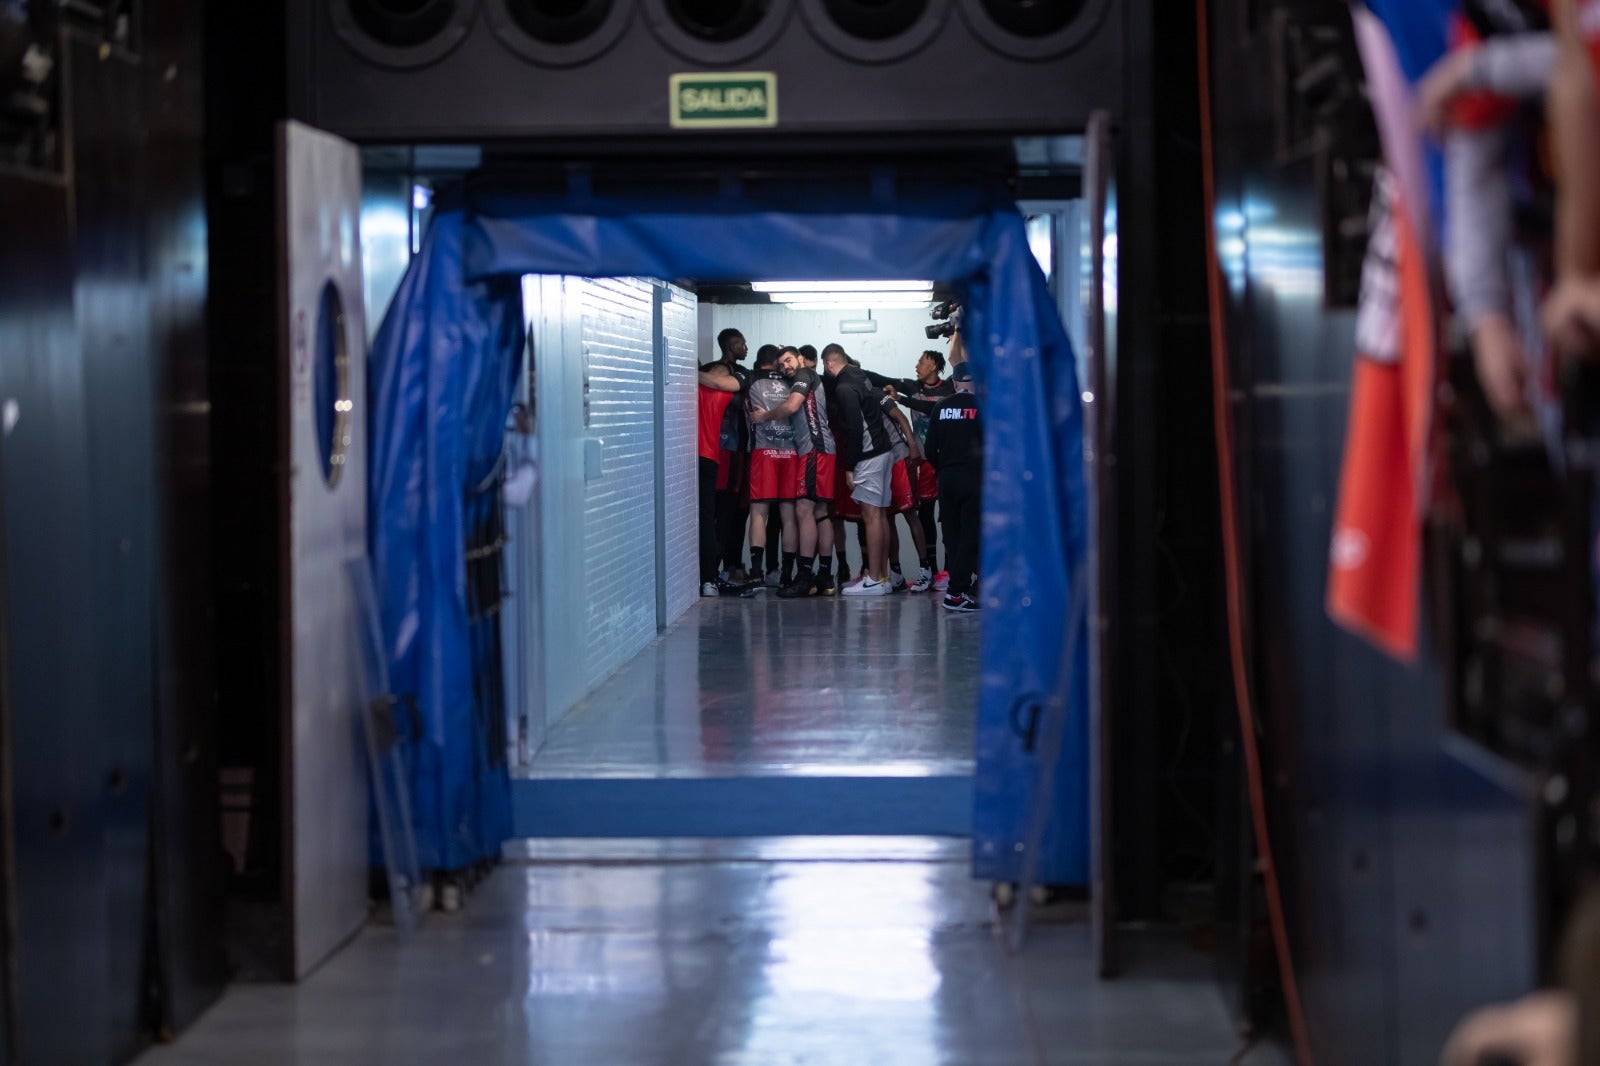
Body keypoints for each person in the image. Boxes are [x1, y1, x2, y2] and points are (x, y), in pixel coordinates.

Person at [1416, 0, 1555, 420]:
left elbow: (1584, 56)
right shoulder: (1488, 14)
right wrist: (1486, 318)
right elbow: (1475, 159)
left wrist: (1477, 69)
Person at [751, 345, 840, 596]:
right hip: (821, 449)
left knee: (803, 508)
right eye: (781, 365)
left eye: (788, 360)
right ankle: (824, 576)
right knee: (820, 511)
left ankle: (804, 577)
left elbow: (791, 406)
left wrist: (764, 416)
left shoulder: (805, 375)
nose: (785, 366)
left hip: (814, 448)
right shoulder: (808, 377)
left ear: (800, 359)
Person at [865, 348, 955, 585]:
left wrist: (901, 399)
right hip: (924, 462)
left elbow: (932, 409)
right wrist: (853, 371)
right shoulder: (913, 386)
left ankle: (950, 570)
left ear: (933, 366)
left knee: (948, 516)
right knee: (925, 514)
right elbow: (883, 379)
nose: (917, 366)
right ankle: (933, 572)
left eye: (921, 362)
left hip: (946, 461)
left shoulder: (950, 388)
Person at [823, 343, 899, 597]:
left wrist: (849, 466)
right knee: (879, 514)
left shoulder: (844, 387)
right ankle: (883, 577)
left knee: (871, 515)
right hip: (884, 451)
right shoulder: (860, 375)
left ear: (829, 364)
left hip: (869, 455)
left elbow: (853, 429)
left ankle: (875, 579)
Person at [925, 362, 983, 613]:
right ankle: (957, 592)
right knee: (971, 536)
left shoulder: (941, 407)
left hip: (947, 478)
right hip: (974, 478)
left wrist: (944, 467)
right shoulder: (984, 407)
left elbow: (929, 450)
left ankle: (957, 586)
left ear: (956, 383)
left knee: (952, 536)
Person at [745, 345, 799, 589]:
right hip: (791, 452)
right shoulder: (793, 380)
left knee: (759, 514)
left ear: (759, 362)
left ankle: (757, 574)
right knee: (789, 516)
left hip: (763, 451)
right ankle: (786, 576)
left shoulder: (750, 377)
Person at [697, 362, 746, 596]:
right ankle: (708, 579)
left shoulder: (689, 388)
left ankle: (704, 577)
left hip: (686, 459)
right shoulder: (725, 394)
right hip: (709, 458)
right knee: (707, 519)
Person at [711, 328, 754, 581]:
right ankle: (715, 570)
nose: (745, 347)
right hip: (727, 450)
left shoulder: (739, 374)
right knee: (724, 511)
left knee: (737, 511)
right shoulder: (720, 370)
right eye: (742, 343)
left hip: (737, 450)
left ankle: (731, 565)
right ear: (731, 346)